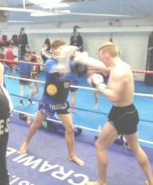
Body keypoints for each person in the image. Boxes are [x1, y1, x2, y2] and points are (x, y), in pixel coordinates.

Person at [86, 42, 153, 185]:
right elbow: (105, 67)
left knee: (100, 146)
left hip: (120, 114)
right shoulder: (123, 66)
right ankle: (151, 180)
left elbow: (114, 97)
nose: (103, 61)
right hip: (130, 112)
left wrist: (99, 84)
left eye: (102, 58)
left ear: (106, 55)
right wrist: (84, 60)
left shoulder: (118, 72)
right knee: (135, 147)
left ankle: (101, 182)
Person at [19, 39, 85, 166]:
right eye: (61, 49)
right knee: (37, 124)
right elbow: (57, 70)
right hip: (48, 100)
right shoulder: (50, 62)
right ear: (54, 50)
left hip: (61, 101)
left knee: (70, 128)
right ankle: (26, 142)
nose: (64, 52)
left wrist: (80, 59)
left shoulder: (68, 62)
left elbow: (79, 69)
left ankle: (72, 155)